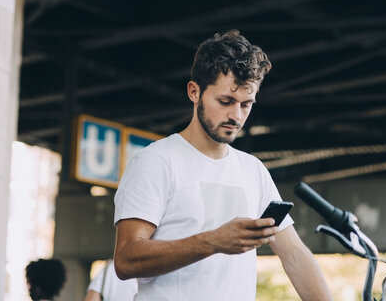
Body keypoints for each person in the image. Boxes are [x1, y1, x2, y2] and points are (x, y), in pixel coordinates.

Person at [113, 30, 333, 300]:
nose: (236, 116)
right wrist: (212, 241)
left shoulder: (252, 170)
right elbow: (125, 260)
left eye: (246, 104)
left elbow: (295, 257)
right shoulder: (155, 162)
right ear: (194, 92)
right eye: (225, 101)